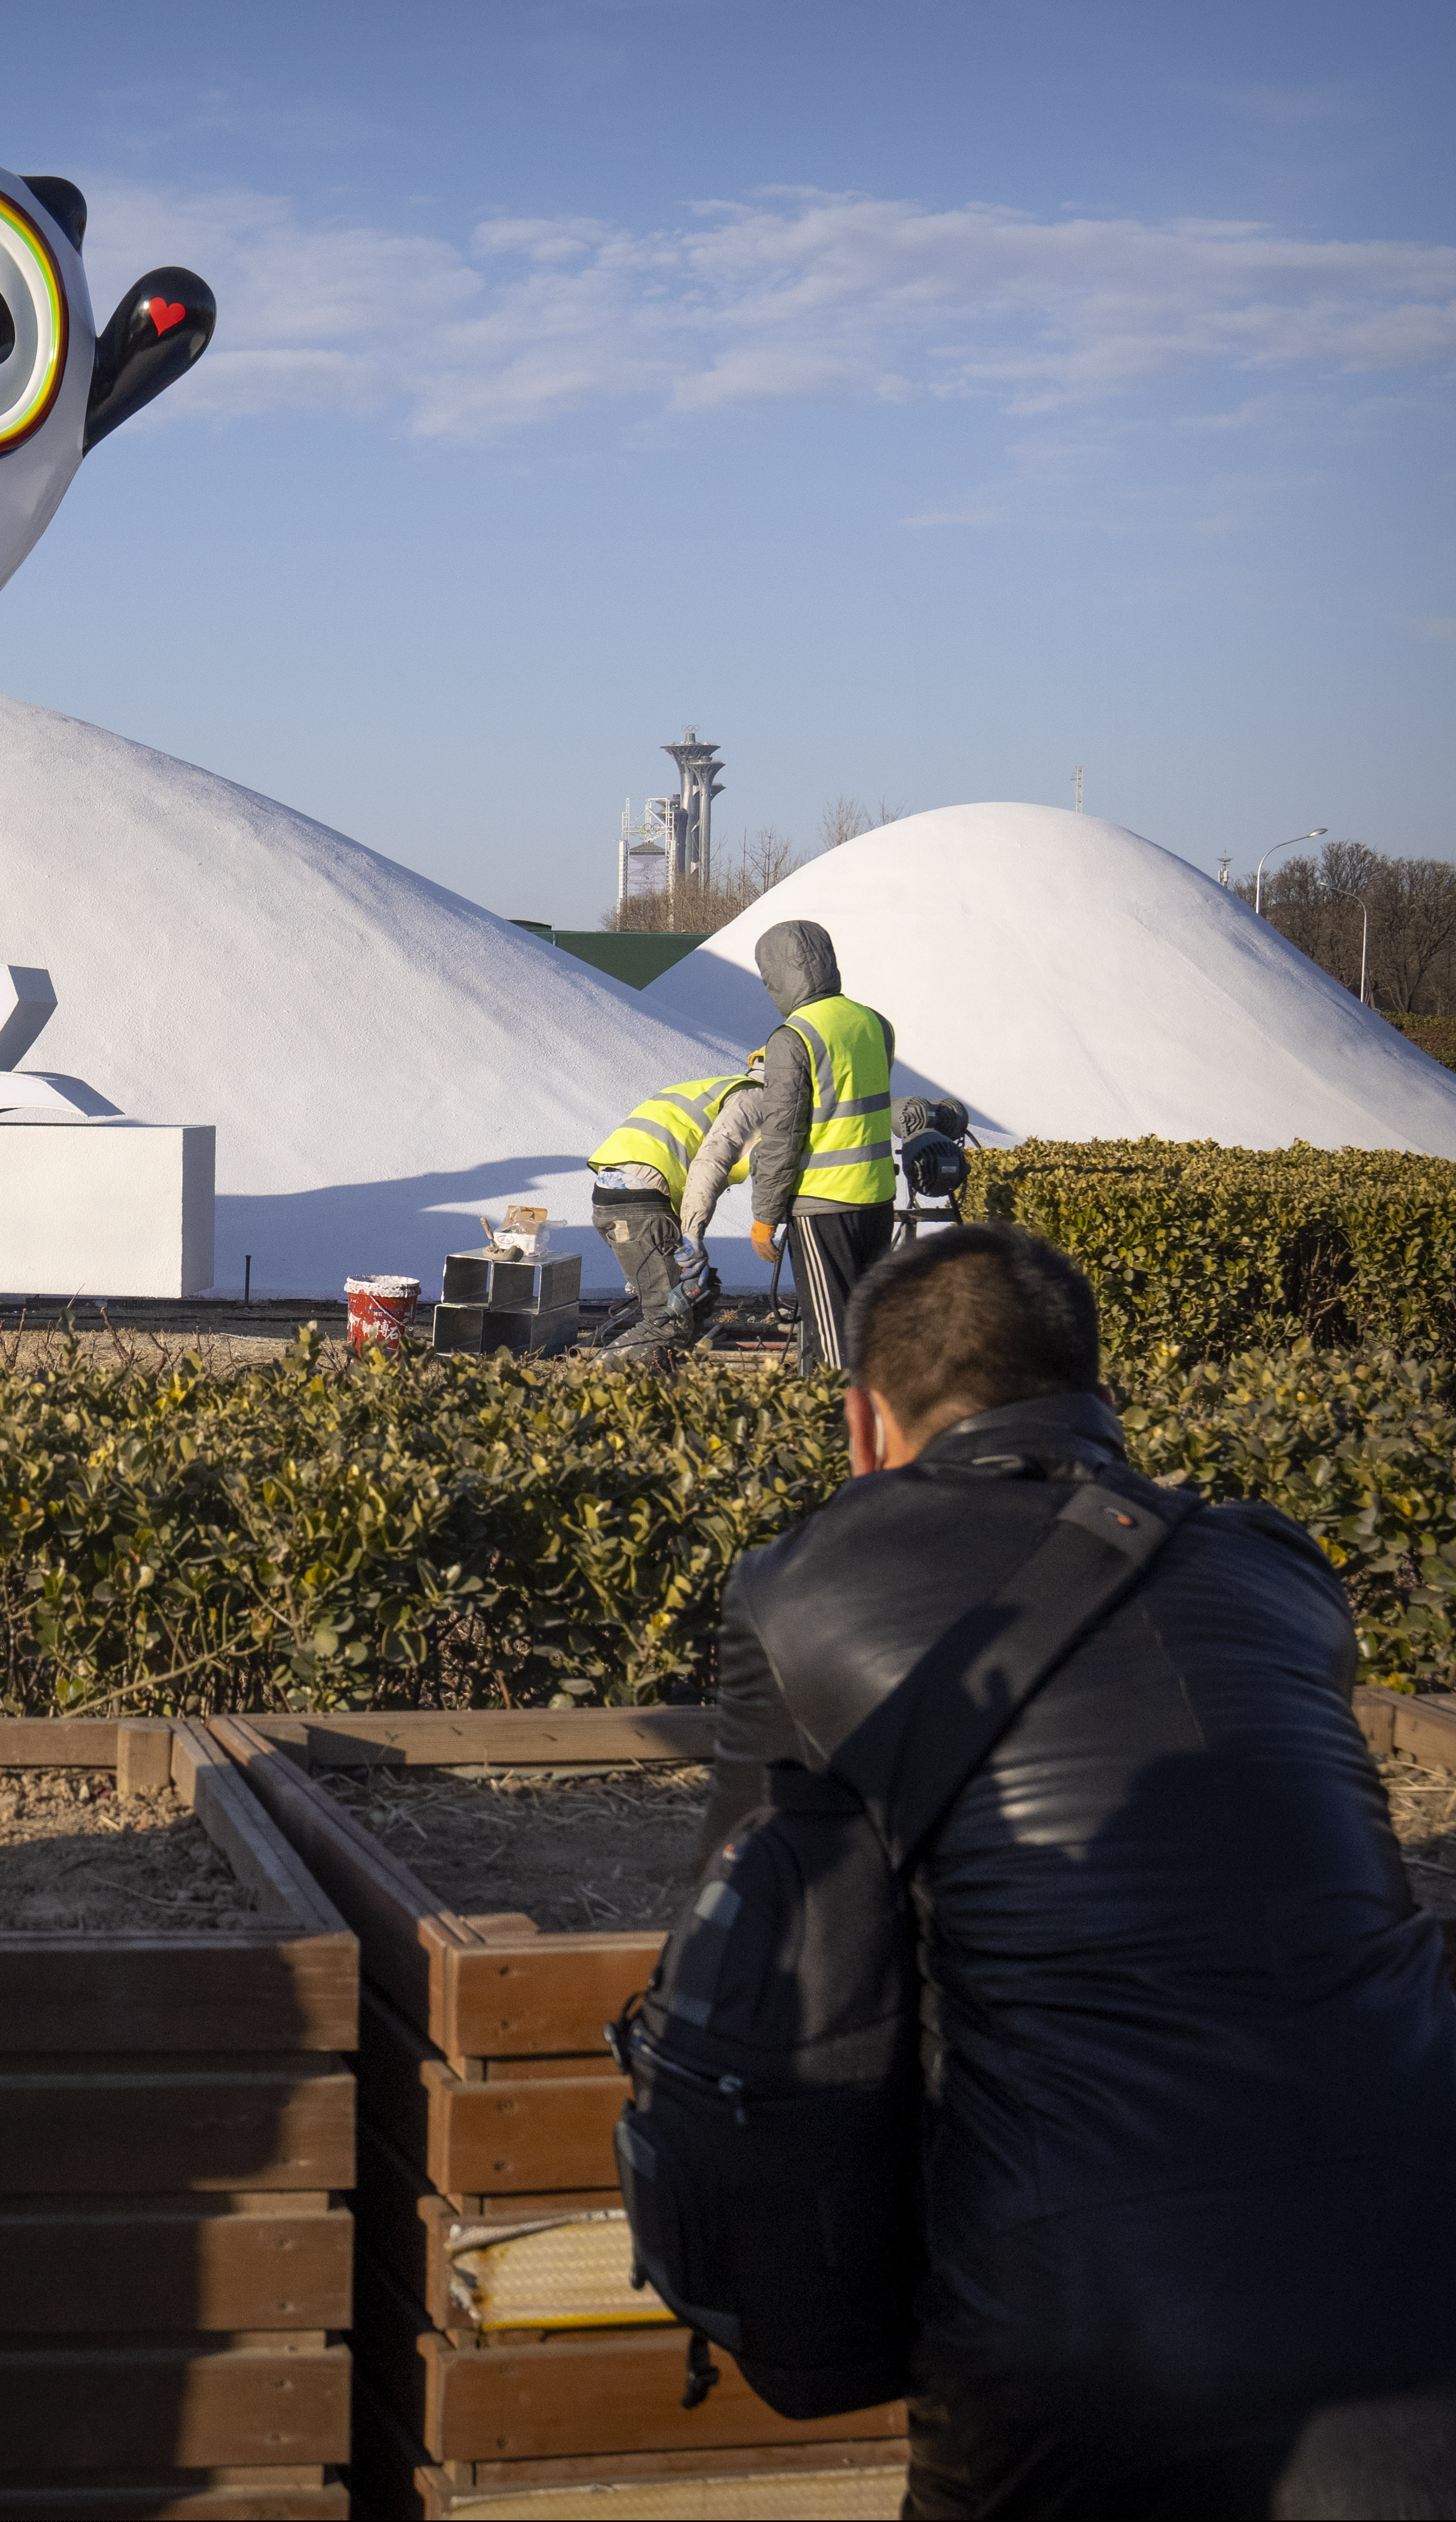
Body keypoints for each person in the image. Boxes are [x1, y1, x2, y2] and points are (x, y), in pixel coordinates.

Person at [698, 1225, 1456, 2517]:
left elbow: (754, 1951)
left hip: (1076, 2309)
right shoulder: (1277, 1567)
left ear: (865, 1425)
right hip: (1425, 2245)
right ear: (1105, 1406)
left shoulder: (798, 1591)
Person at [741, 919, 897, 1369]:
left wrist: (765, 1216)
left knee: (831, 1340)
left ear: (777, 976)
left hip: (822, 1204)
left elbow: (782, 1135)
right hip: (877, 1198)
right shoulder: (874, 1023)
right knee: (868, 1325)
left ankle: (834, 1429)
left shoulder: (793, 1039)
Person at [582, 1057, 762, 1362]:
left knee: (699, 1295)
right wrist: (692, 1233)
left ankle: (663, 1391)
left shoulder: (718, 1089)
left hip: (620, 1201)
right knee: (667, 1324)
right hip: (640, 1208)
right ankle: (589, 1385)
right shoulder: (756, 1099)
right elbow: (709, 1166)